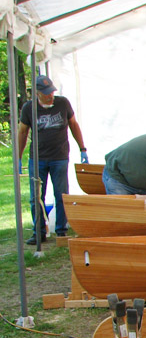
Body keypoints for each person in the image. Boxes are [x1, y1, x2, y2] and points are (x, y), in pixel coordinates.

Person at [18, 75, 88, 244]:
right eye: (46, 93)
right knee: (36, 197)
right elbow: (22, 132)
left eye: (51, 92)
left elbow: (73, 124)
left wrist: (82, 148)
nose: (50, 96)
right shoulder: (29, 108)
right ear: (36, 92)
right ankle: (39, 232)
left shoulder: (62, 103)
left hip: (60, 157)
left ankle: (62, 231)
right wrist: (18, 158)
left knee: (61, 194)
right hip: (38, 159)